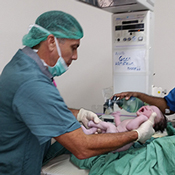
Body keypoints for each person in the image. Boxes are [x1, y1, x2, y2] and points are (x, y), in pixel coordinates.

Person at [0, 11, 155, 175]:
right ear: (51, 41)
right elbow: (83, 148)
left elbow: (37, 108)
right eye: (73, 48)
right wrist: (136, 134)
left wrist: (78, 114)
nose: (75, 56)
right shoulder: (32, 83)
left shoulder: (23, 65)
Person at [81, 105, 167, 152]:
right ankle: (90, 130)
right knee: (107, 127)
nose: (148, 107)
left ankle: (91, 125)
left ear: (151, 123)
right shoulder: (137, 120)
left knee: (109, 126)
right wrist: (117, 117)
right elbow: (120, 125)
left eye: (151, 110)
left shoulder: (143, 121)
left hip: (118, 145)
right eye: (150, 105)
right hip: (115, 135)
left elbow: (130, 127)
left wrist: (141, 118)